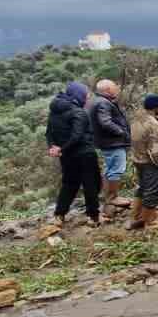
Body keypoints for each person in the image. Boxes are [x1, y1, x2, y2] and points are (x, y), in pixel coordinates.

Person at [44, 81, 100, 227]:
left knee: (69, 184)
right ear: (78, 95)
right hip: (84, 154)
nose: (87, 99)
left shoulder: (54, 112)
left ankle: (59, 215)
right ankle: (93, 217)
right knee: (91, 184)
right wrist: (61, 149)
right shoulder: (78, 112)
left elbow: (49, 133)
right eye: (85, 96)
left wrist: (54, 148)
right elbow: (77, 136)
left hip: (67, 157)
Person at [89, 78, 131, 220]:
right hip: (113, 143)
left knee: (109, 169)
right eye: (114, 87)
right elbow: (105, 122)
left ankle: (109, 197)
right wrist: (121, 132)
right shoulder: (103, 103)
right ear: (107, 90)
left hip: (107, 143)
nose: (117, 89)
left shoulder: (99, 101)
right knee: (116, 170)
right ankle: (113, 197)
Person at [129, 94, 158, 230]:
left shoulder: (137, 118)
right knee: (154, 190)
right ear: (156, 107)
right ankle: (148, 222)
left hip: (137, 159)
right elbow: (154, 148)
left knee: (142, 188)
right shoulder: (152, 123)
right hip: (149, 161)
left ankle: (137, 216)